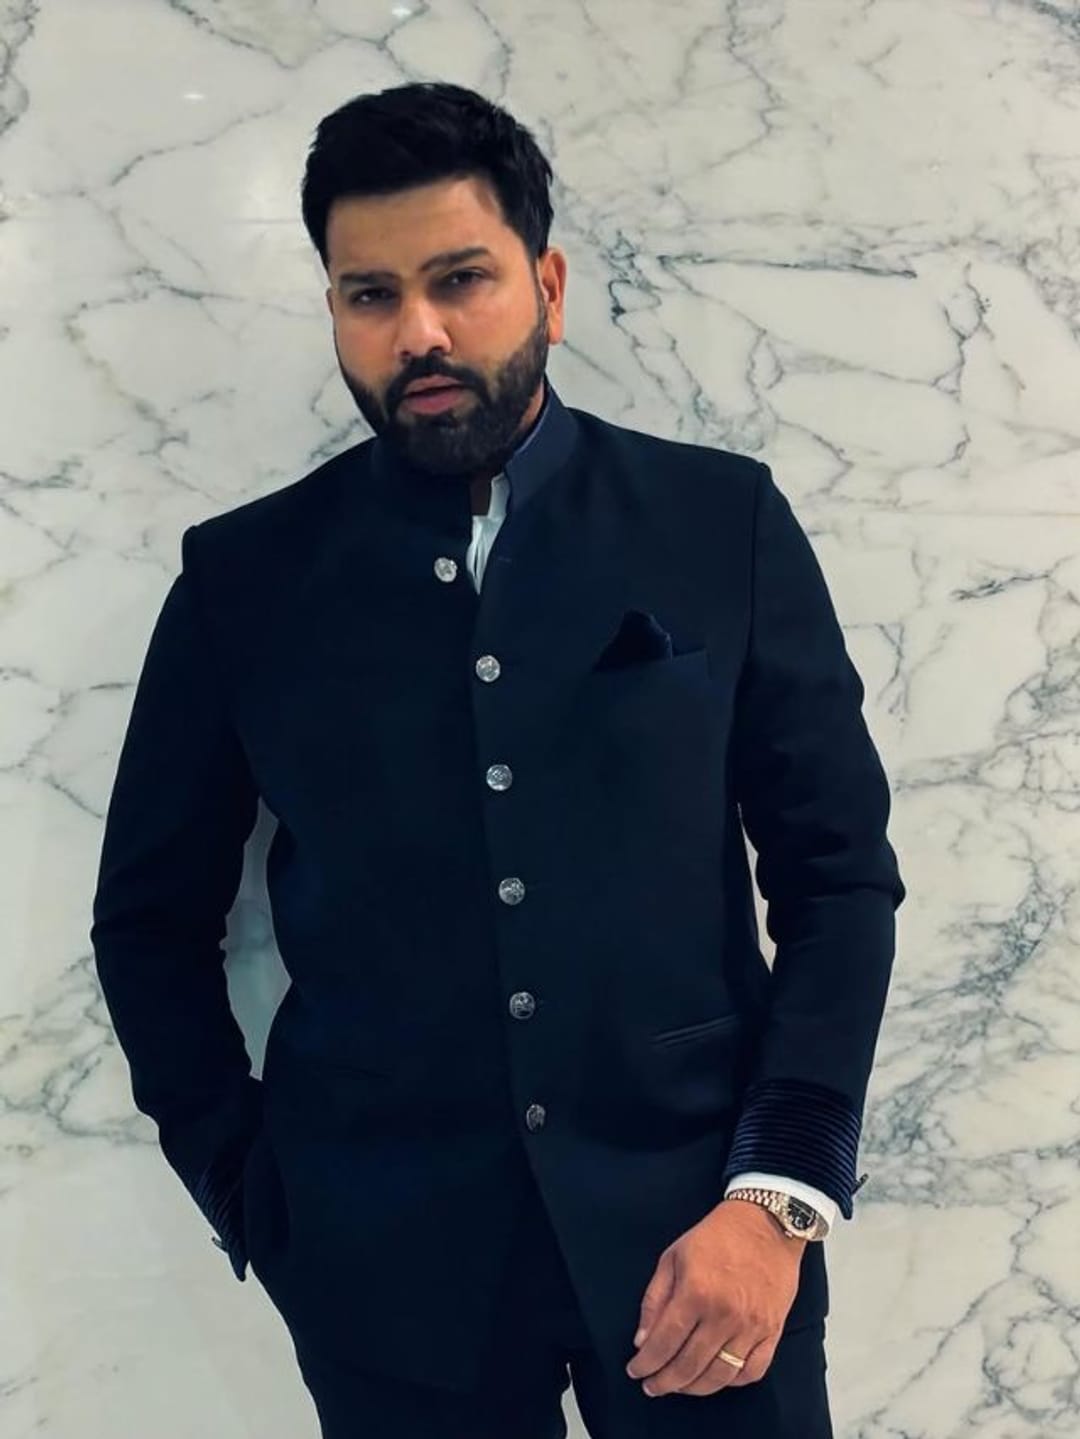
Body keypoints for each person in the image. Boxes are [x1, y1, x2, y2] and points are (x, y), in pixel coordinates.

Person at [90, 80, 906, 1438]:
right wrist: (254, 1195)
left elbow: (839, 880)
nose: (419, 330)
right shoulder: (243, 580)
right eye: (370, 294)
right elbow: (146, 924)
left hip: (706, 1245)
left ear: (549, 286)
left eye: (460, 279)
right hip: (387, 1275)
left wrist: (777, 1197)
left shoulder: (719, 524)